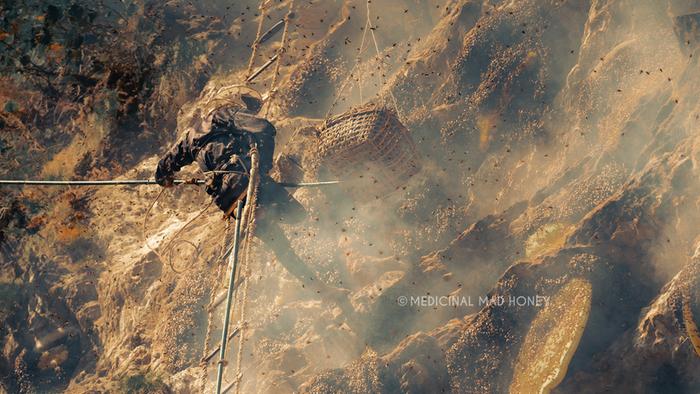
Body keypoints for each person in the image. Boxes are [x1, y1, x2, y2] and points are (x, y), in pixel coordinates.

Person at [154, 92, 353, 315]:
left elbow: (162, 170)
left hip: (227, 201)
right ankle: (266, 210)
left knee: (280, 247)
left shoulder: (189, 140)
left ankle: (321, 289)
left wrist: (166, 179)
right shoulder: (225, 114)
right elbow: (265, 128)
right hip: (246, 180)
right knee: (299, 216)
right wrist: (264, 167)